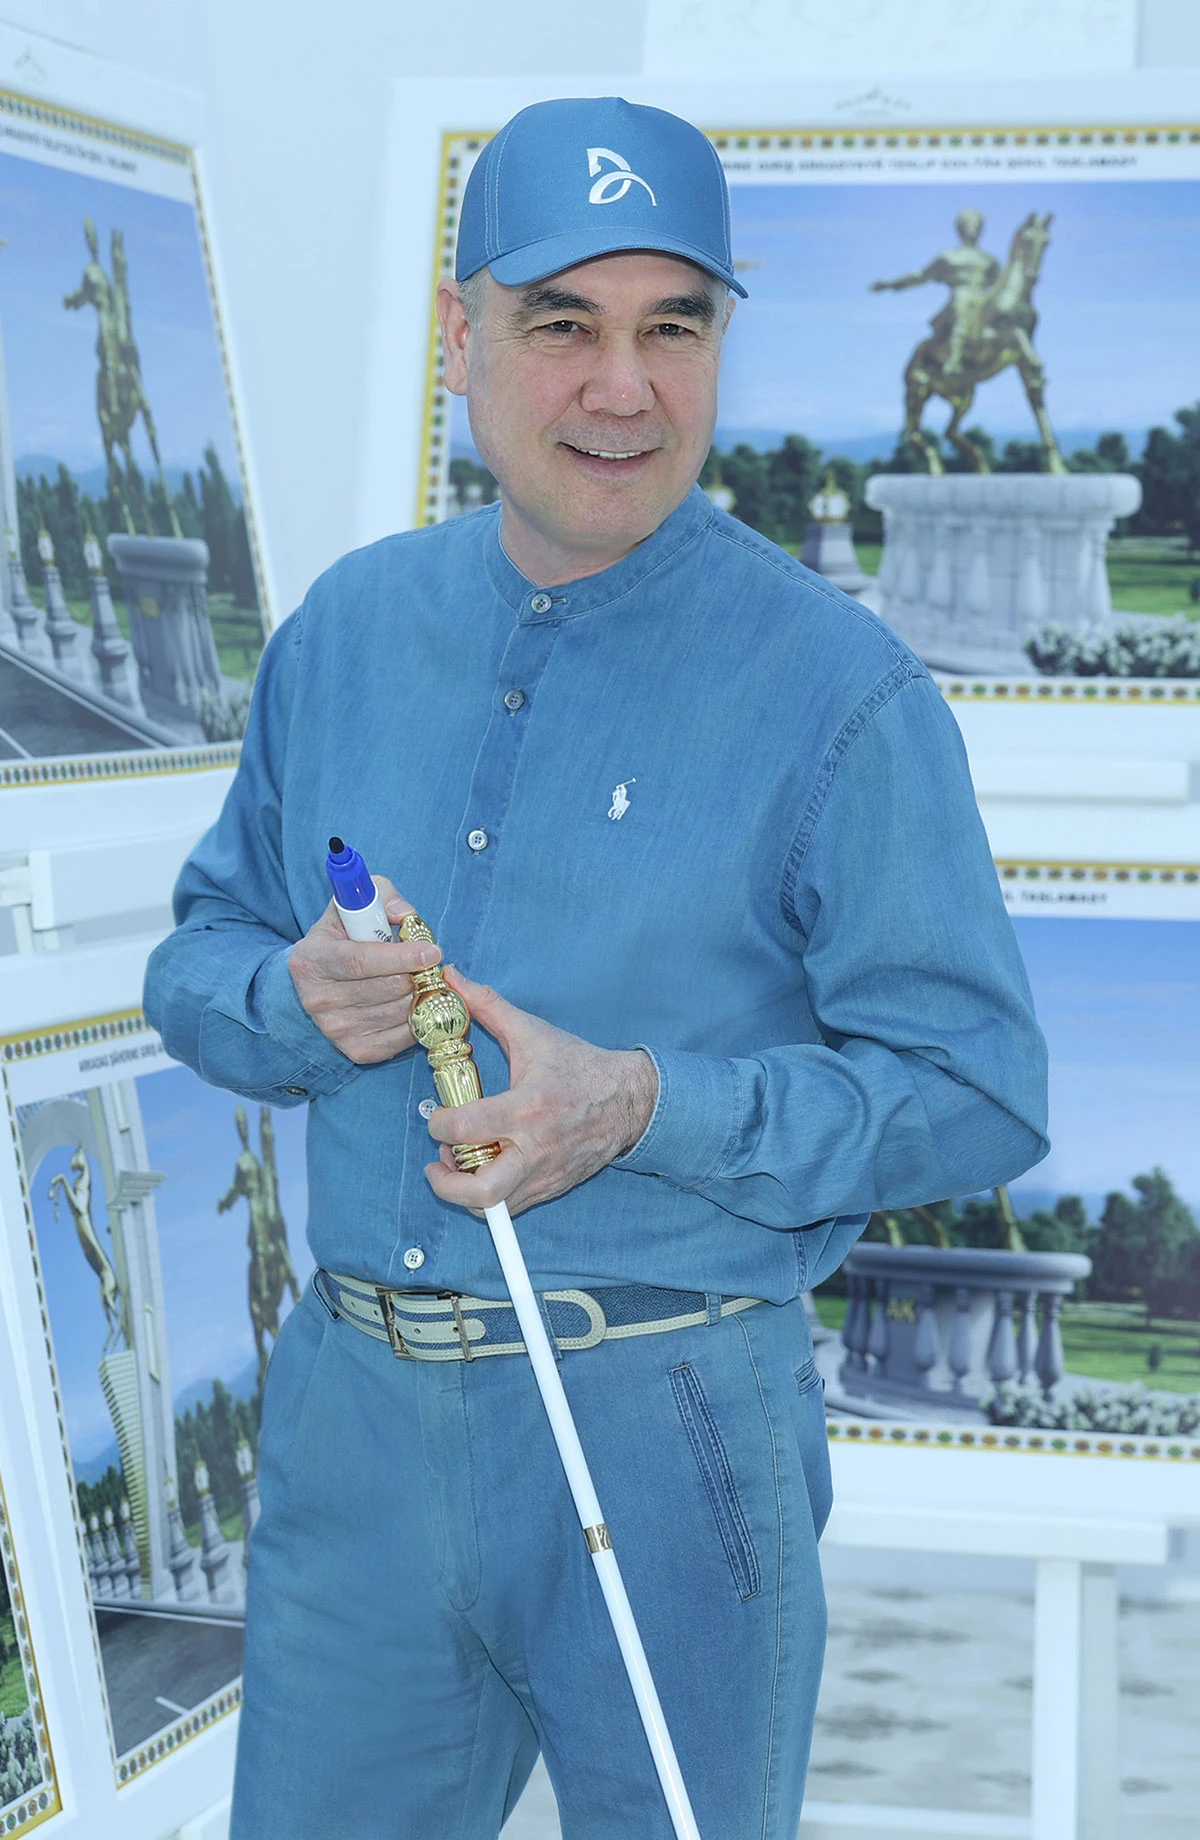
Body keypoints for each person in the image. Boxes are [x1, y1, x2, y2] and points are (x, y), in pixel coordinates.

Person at [144, 96, 1048, 1840]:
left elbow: (977, 1093)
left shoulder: (844, 693)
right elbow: (201, 955)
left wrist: (640, 1109)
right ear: (460, 334)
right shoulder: (343, 631)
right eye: (563, 323)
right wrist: (288, 1001)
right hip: (354, 1428)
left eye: (673, 328)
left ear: (720, 345)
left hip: (675, 1424)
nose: (622, 389)